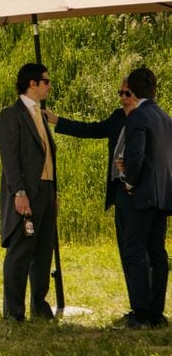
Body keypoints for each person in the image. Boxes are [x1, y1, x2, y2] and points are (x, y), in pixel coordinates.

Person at [46, 80, 135, 316]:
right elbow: (92, 130)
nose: (123, 97)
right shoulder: (118, 117)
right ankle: (137, 304)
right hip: (120, 191)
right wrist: (57, 121)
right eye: (120, 93)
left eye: (127, 93)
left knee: (141, 251)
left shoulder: (147, 117)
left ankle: (146, 306)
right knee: (126, 249)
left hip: (140, 193)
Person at [0, 62, 57, 321]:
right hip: (26, 192)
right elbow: (10, 158)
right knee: (21, 250)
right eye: (46, 81)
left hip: (46, 189)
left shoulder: (41, 113)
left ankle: (39, 305)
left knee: (44, 249)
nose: (49, 86)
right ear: (32, 83)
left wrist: (53, 191)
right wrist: (19, 192)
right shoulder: (11, 114)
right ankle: (14, 311)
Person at [120, 66, 172, 328]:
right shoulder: (165, 117)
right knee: (158, 252)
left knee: (134, 250)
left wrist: (129, 180)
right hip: (164, 193)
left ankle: (140, 312)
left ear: (133, 88)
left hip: (143, 195)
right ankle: (156, 312)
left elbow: (136, 156)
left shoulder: (138, 117)